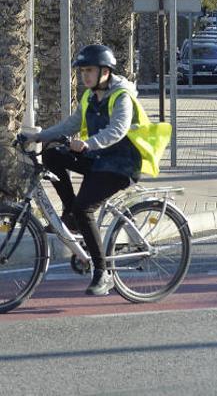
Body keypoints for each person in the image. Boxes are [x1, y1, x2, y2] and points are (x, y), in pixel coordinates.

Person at [23, 45, 143, 296]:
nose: (84, 76)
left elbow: (118, 130)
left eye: (89, 71)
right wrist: (38, 136)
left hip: (121, 164)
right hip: (98, 158)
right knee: (52, 152)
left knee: (85, 208)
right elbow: (71, 124)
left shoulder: (121, 96)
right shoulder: (90, 96)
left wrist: (89, 143)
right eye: (82, 71)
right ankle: (72, 216)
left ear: (105, 71)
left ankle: (102, 273)